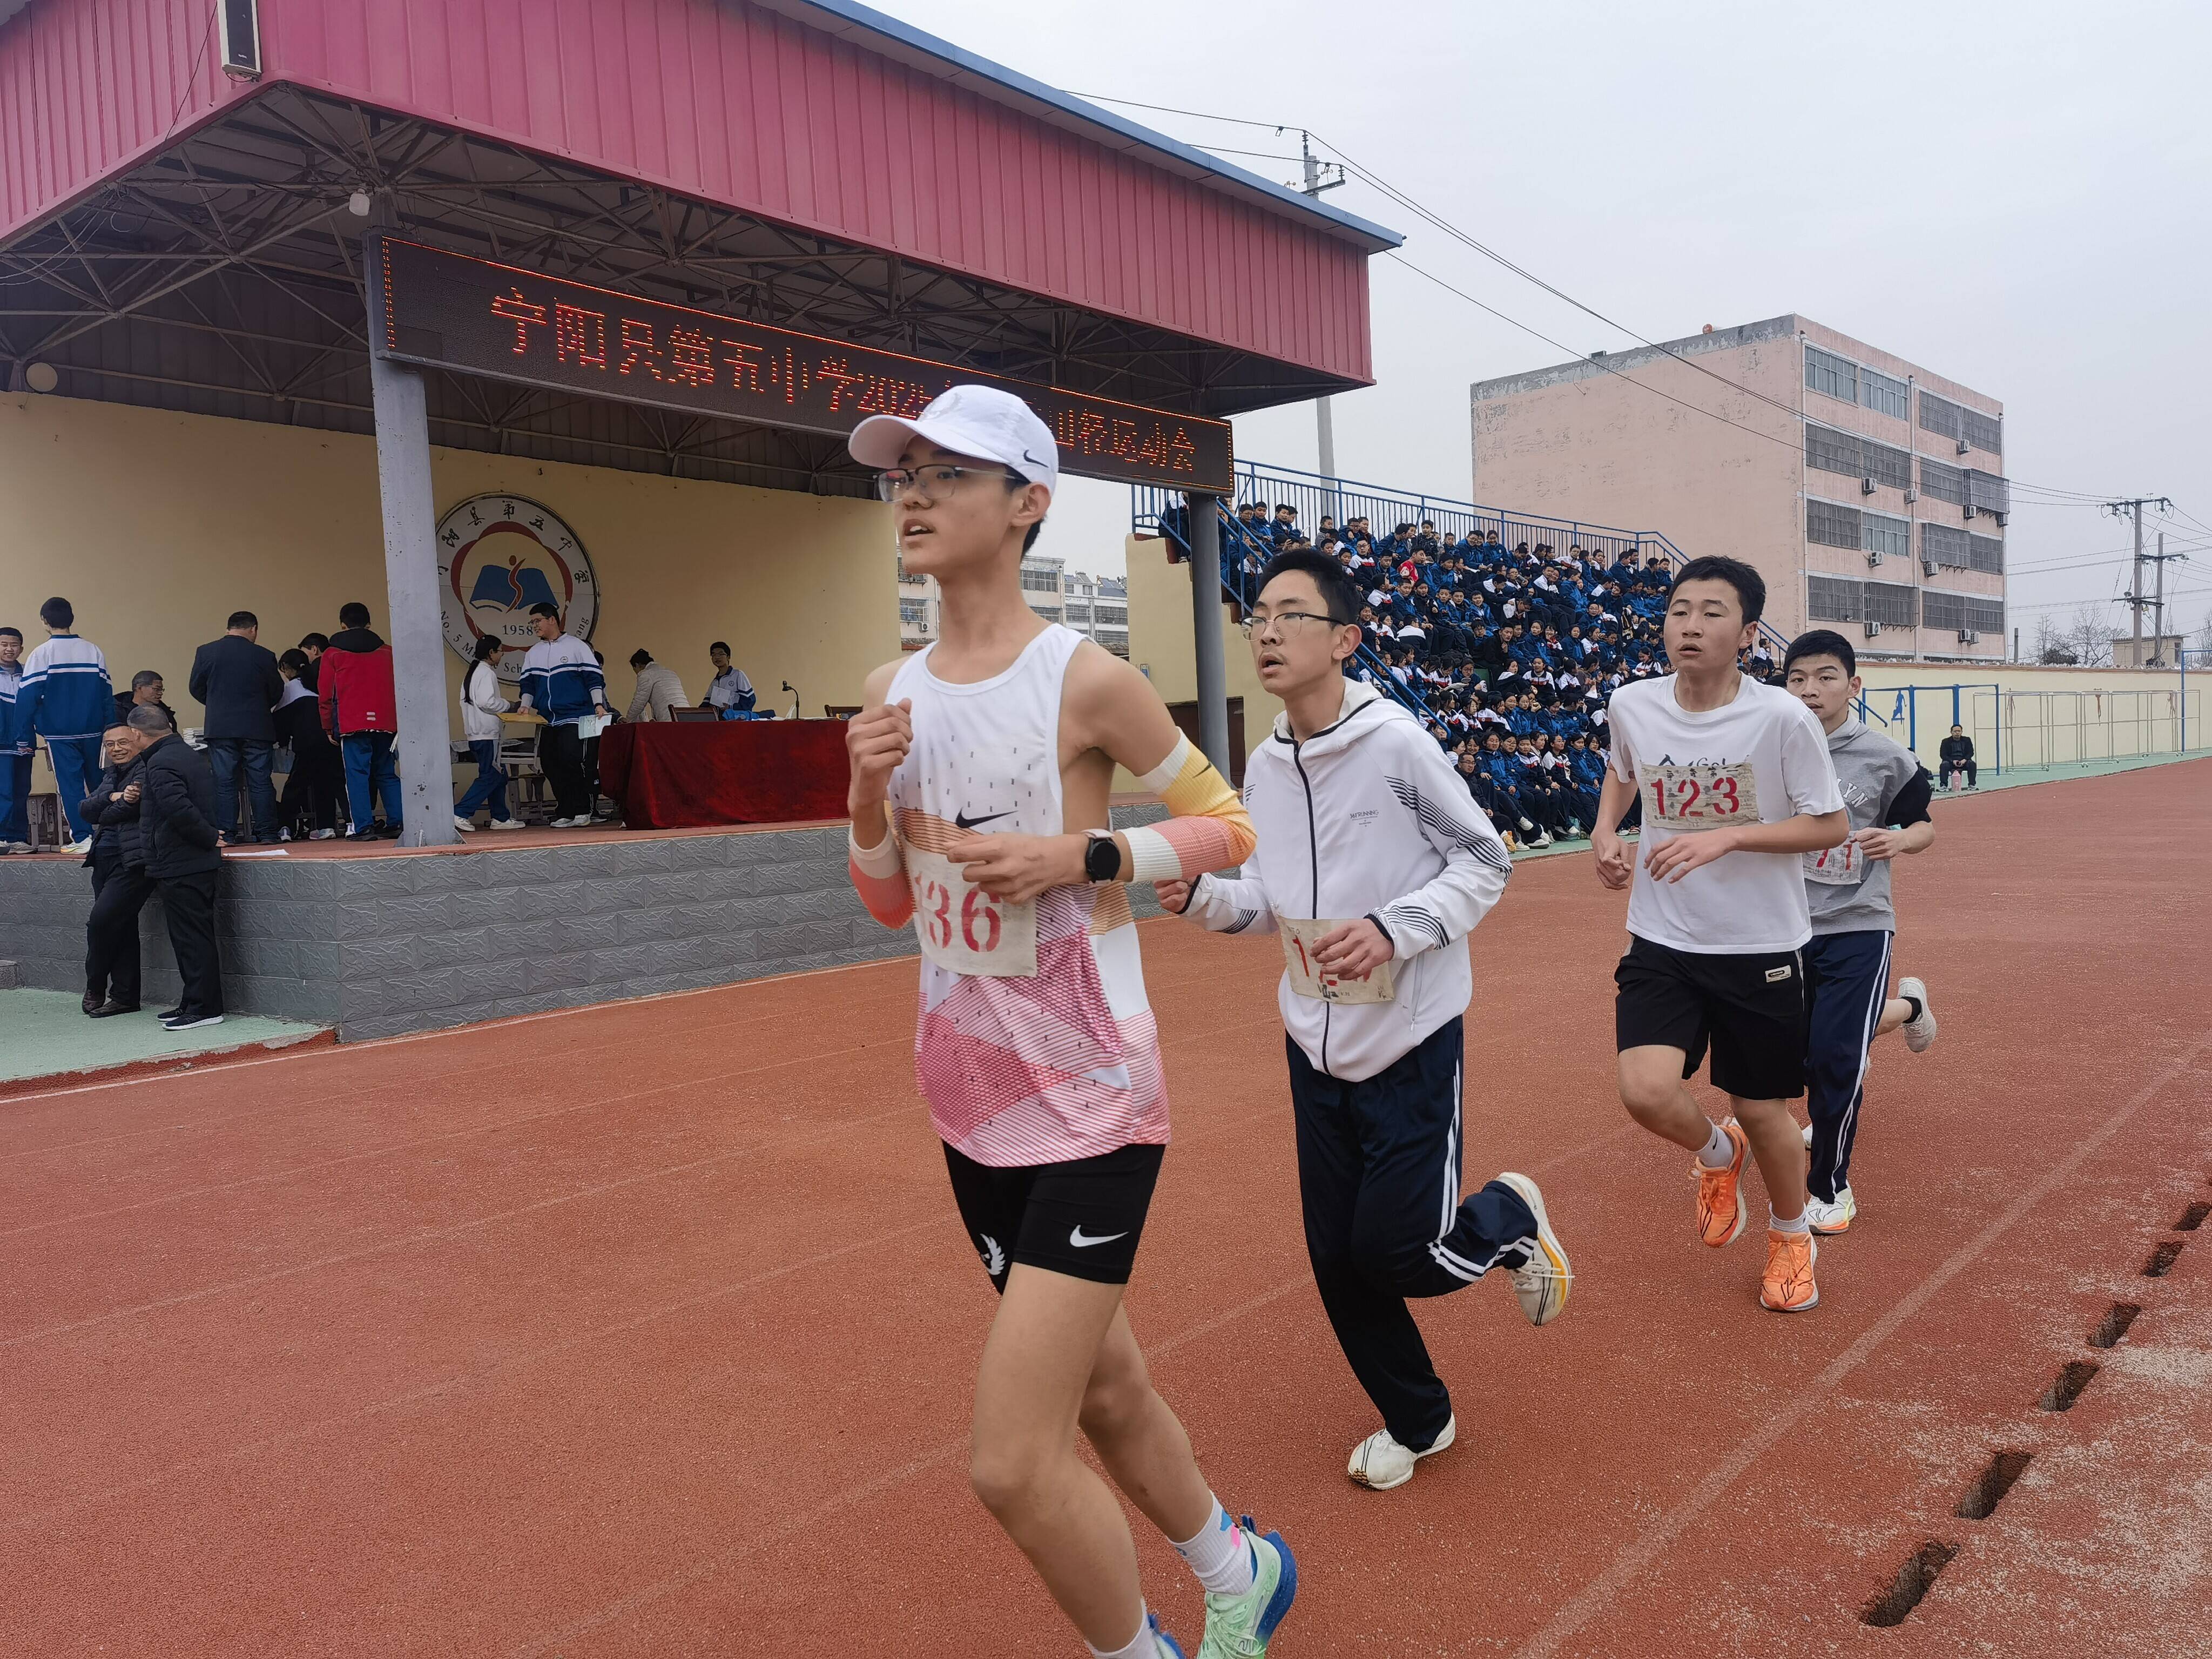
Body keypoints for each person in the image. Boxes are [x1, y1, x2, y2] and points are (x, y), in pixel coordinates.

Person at [841, 386, 1290, 1659]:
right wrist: (870, 785)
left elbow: (1232, 824)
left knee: (1010, 1461)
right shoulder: (888, 685)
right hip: (969, 1100)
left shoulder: (1085, 678)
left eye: (951, 473)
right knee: (1103, 1384)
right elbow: (884, 900)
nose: (915, 494)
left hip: (1096, 1097)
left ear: (1028, 501)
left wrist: (1081, 852)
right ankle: (1237, 1562)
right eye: (905, 473)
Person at [1161, 548, 1570, 1495]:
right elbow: (1266, 899)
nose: (1264, 630)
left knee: (1402, 1251)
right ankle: (1419, 1416)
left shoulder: (1395, 745)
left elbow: (1482, 860)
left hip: (1411, 1034)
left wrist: (1394, 929)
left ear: (1344, 640)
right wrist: (1200, 898)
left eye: (1290, 615)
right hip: (1312, 1037)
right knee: (1335, 1257)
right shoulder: (1262, 764)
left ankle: (1508, 1217)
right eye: (1257, 614)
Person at [1591, 557, 1849, 1315]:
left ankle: (1791, 1236)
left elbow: (1829, 824)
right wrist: (1609, 828)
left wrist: (1731, 838)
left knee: (1765, 1108)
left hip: (1760, 946)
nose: (1690, 625)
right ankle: (1716, 1152)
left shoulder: (1781, 718)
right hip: (1663, 935)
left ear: (1746, 632)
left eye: (1711, 612)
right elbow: (1623, 770)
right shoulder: (1632, 703)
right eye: (1679, 610)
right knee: (1643, 1092)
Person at [1782, 632, 1941, 1234]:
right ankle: (1909, 1006)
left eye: (1825, 677)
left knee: (1835, 1056)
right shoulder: (1770, 749)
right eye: (1797, 678)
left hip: (1858, 924)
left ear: (1852, 686)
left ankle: (1830, 1187)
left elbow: (1923, 825)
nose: (1809, 689)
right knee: (1795, 1053)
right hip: (1783, 925)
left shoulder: (1884, 757)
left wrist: (1900, 839)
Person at [130, 703, 225, 1030]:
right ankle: (193, 1001)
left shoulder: (160, 763)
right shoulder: (185, 755)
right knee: (190, 937)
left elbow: (178, 810)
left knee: (192, 938)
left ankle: (204, 1008)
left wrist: (209, 837)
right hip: (188, 861)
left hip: (181, 862)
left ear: (137, 734)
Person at [18, 596, 113, 850]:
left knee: (71, 786)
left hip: (59, 734)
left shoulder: (41, 654)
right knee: (102, 782)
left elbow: (26, 699)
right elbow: (107, 694)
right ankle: (110, 833)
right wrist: (112, 727)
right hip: (94, 730)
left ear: (45, 621)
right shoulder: (93, 650)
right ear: (71, 618)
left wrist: (23, 737)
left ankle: (82, 838)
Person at [189, 609, 286, 845]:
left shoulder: (206, 652)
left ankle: (227, 834)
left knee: (224, 781)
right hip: (257, 727)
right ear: (253, 629)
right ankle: (267, 834)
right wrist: (260, 707)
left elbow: (196, 688)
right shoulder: (264, 655)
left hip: (220, 728)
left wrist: (216, 705)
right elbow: (276, 690)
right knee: (261, 781)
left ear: (228, 628)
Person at [80, 720, 156, 1015]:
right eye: (110, 745)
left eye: (122, 742)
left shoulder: (146, 768)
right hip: (103, 858)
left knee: (100, 922)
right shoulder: (111, 775)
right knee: (121, 926)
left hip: (133, 860)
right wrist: (112, 798)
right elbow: (85, 810)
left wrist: (105, 808)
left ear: (136, 739)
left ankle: (95, 985)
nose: (116, 749)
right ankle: (125, 997)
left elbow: (129, 809)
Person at [517, 603, 608, 828]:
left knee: (573, 761)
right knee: (550, 763)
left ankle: (584, 809)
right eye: (532, 622)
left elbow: (594, 678)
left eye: (537, 621)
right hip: (549, 719)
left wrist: (598, 704)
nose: (534, 626)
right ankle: (565, 810)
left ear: (552, 620)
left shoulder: (577, 647)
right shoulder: (533, 653)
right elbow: (528, 684)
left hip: (577, 715)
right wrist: (525, 705)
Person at [319, 602, 402, 840]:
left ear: (343, 626)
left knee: (357, 775)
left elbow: (326, 694)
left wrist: (328, 726)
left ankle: (363, 826)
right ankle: (398, 822)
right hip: (387, 723)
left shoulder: (333, 653)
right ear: (369, 625)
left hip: (352, 723)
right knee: (387, 773)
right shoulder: (388, 652)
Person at [451, 636, 524, 832]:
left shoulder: (473, 671)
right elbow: (487, 702)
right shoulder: (486, 672)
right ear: (491, 653)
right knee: (491, 776)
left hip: (476, 733)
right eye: (500, 651)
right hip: (487, 734)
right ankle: (460, 813)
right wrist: (510, 705)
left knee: (499, 776)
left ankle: (500, 817)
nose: (502, 655)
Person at [274, 650, 342, 840]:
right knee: (325, 784)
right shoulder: (318, 682)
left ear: (286, 667)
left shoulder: (291, 688)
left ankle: (285, 826)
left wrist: (282, 740)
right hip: (330, 740)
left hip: (307, 743)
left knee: (296, 785)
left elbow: (281, 719)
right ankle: (326, 827)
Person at [0, 625, 31, 853]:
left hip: (24, 742)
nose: (9, 649)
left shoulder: (29, 674)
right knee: (3, 790)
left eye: (14, 645)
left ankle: (17, 837)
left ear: (21, 649)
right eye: (4, 644)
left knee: (21, 790)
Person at [623, 649, 687, 721]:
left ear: (637, 665)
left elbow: (639, 703)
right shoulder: (671, 673)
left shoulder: (646, 674)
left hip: (669, 717)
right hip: (685, 715)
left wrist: (628, 720)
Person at [113, 670, 177, 731]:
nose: (160, 693)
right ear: (139, 688)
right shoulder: (118, 710)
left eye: (161, 690)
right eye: (157, 689)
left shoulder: (163, 710)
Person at [703, 642, 755, 713]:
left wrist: (732, 708)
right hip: (720, 722)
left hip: (737, 720)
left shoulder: (738, 675)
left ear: (728, 657)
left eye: (721, 654)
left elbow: (750, 700)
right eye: (713, 654)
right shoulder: (715, 682)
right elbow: (706, 704)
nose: (717, 657)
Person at [1938, 725, 1977, 790]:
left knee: (1972, 764)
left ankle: (1972, 785)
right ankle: (1944, 785)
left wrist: (1965, 760)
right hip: (1951, 762)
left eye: (1959, 731)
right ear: (1951, 732)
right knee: (1944, 765)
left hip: (1964, 761)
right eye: (1955, 731)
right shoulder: (1945, 742)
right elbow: (1943, 755)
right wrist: (1952, 761)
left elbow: (1971, 752)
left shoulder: (1967, 740)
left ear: (1962, 732)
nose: (1957, 733)